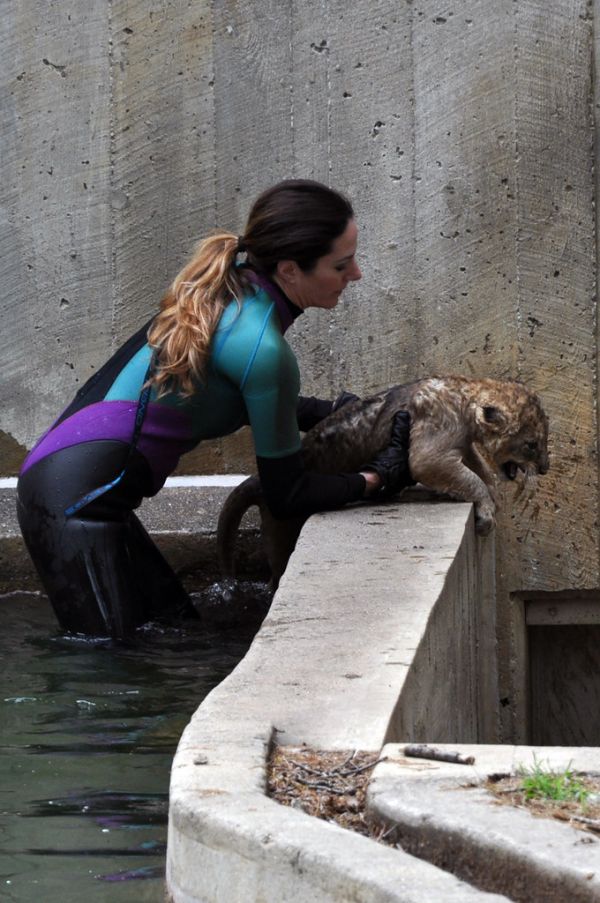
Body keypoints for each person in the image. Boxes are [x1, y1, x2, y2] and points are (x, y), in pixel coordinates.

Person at [17, 179, 412, 640]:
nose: (356, 274)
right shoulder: (262, 347)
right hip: (73, 506)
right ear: (289, 270)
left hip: (68, 488)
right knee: (114, 662)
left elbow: (239, 401)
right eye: (341, 265)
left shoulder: (232, 293)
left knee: (175, 636)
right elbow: (288, 495)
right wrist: (377, 478)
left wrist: (343, 413)